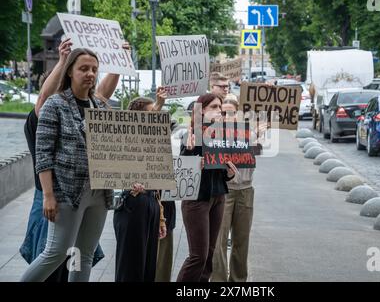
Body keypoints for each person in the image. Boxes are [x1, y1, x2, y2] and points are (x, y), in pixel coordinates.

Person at [20, 38, 125, 281]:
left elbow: (115, 149)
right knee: (55, 253)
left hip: (99, 193)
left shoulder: (101, 107)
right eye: (83, 68)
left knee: (84, 254)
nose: (90, 73)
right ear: (70, 71)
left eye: (94, 69)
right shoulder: (54, 105)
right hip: (66, 193)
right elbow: (43, 154)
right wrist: (48, 195)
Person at [176, 93, 238, 282]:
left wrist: (229, 172)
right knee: (198, 256)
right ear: (201, 110)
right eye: (213, 107)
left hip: (218, 196)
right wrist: (191, 155)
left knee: (210, 255)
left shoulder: (221, 134)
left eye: (220, 107)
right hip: (197, 200)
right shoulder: (191, 133)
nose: (219, 111)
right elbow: (181, 169)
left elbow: (223, 172)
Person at [113, 92, 170, 282]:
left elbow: (157, 190)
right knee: (131, 267)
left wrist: (161, 217)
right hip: (133, 203)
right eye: (150, 113)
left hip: (150, 203)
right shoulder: (124, 139)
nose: (154, 117)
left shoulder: (153, 143)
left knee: (147, 267)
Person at [210, 99, 263, 282]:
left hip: (246, 190)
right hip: (223, 190)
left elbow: (256, 153)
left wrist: (258, 135)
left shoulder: (249, 133)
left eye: (231, 113)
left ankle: (238, 281)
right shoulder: (214, 133)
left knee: (242, 240)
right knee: (219, 240)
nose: (227, 117)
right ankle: (218, 280)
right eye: (223, 113)